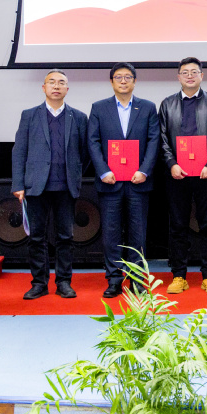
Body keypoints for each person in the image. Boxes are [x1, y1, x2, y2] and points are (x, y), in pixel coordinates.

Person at [11, 69, 89, 300]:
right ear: (43, 87)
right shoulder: (29, 115)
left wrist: (74, 173)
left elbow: (84, 153)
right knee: (37, 237)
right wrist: (18, 183)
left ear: (67, 89)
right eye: (51, 82)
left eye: (61, 82)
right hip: (36, 186)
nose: (56, 86)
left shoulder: (79, 117)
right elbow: (19, 151)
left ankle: (64, 282)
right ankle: (39, 283)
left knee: (65, 237)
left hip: (66, 186)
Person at [88, 62, 160, 298]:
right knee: (111, 234)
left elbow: (153, 141)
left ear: (135, 81)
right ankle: (114, 280)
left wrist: (145, 170)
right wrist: (103, 171)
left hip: (138, 181)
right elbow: (93, 142)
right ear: (111, 82)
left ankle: (137, 280)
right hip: (109, 181)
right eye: (118, 77)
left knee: (138, 234)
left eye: (128, 77)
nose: (123, 81)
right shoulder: (99, 108)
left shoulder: (147, 107)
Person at [158, 57, 207, 295]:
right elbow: (162, 137)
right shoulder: (167, 104)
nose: (189, 76)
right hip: (177, 174)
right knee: (178, 225)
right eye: (185, 72)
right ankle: (179, 276)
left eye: (194, 72)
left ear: (201, 76)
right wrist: (171, 163)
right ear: (178, 77)